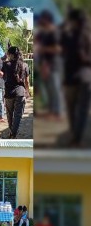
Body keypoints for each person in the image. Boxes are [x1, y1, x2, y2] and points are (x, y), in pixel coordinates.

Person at [61, 8, 91, 147]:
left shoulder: (70, 36)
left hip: (72, 77)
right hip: (85, 77)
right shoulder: (84, 35)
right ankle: (76, 137)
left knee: (73, 109)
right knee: (81, 110)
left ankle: (75, 136)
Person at [36, 10, 62, 120]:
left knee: (54, 89)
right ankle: (52, 111)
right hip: (44, 65)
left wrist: (43, 49)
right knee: (48, 89)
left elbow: (58, 49)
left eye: (42, 19)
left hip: (53, 65)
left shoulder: (54, 32)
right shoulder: (43, 33)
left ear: (47, 19)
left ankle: (57, 112)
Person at [3, 46, 26, 139]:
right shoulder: (25, 65)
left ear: (10, 54)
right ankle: (13, 134)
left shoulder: (6, 64)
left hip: (9, 92)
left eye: (8, 53)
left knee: (9, 113)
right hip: (20, 92)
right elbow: (27, 81)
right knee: (18, 115)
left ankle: (11, 132)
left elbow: (3, 76)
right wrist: (27, 91)